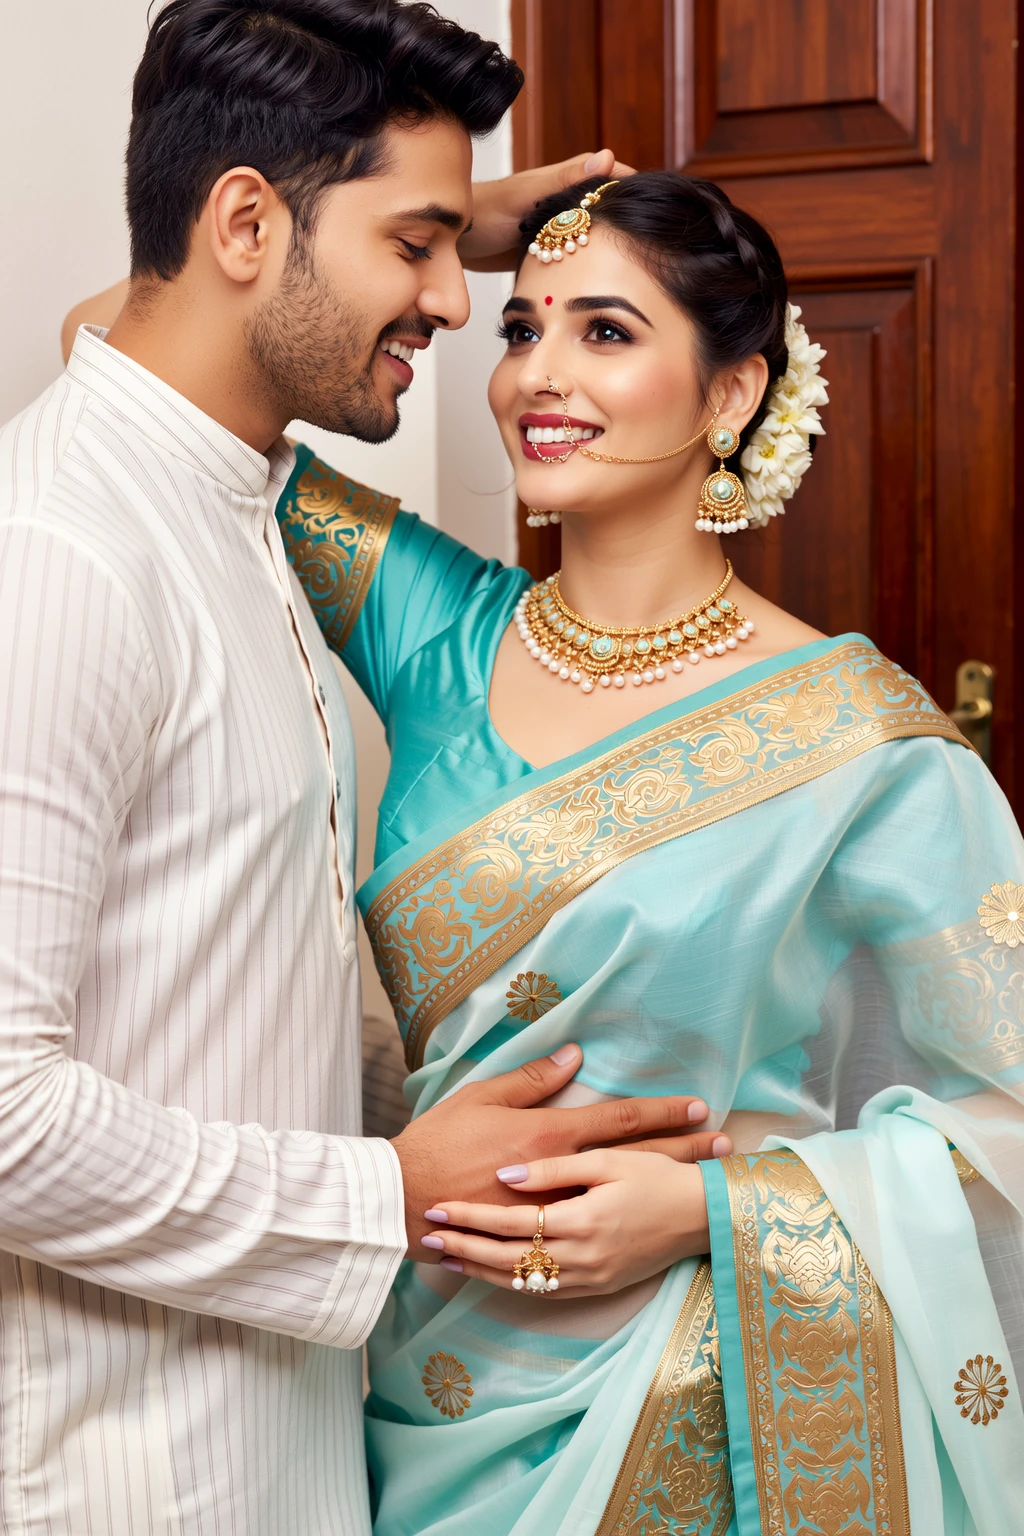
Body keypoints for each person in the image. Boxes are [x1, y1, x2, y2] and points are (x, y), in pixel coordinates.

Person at [0, 5, 727, 1531]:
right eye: (415, 250)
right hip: (134, 1473)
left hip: (298, 1431)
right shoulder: (65, 557)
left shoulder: (232, 501)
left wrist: (453, 215)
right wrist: (387, 1195)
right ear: (249, 222)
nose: (457, 309)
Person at [275, 170, 1024, 1533]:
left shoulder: (859, 742)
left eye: (606, 333)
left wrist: (712, 1214)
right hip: (416, 1368)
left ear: (733, 394)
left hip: (693, 1398)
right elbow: (158, 365)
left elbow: (1012, 1127)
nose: (537, 377)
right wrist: (460, 223)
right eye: (520, 328)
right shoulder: (430, 627)